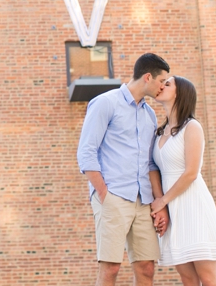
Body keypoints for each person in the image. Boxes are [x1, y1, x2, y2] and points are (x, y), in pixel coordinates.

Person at [77, 53, 172, 286]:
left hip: (143, 200)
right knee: (110, 269)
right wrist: (104, 194)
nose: (163, 87)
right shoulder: (105, 103)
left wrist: (159, 202)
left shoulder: (149, 114)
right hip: (114, 196)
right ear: (148, 77)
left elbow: (150, 163)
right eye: (162, 81)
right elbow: (86, 153)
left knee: (147, 267)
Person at [150, 76, 216, 286]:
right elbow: (153, 168)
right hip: (173, 210)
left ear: (180, 93)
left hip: (194, 206)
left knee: (208, 278)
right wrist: (161, 203)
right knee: (188, 278)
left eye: (168, 83)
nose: (161, 85)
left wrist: (162, 201)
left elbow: (191, 173)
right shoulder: (158, 132)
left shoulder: (192, 127)